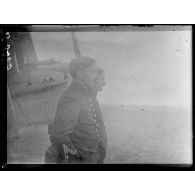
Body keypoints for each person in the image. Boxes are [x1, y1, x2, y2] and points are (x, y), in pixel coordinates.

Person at [45, 57, 107, 164]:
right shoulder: (72, 98)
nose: (96, 75)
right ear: (80, 74)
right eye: (93, 72)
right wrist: (74, 159)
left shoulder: (86, 95)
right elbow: (59, 135)